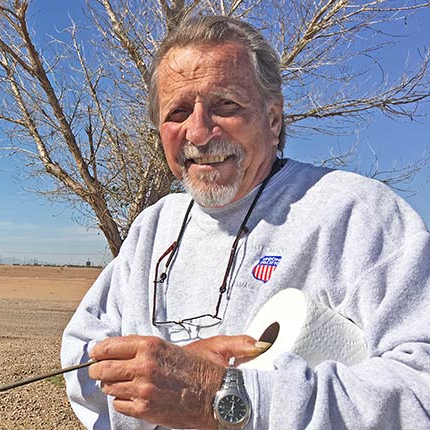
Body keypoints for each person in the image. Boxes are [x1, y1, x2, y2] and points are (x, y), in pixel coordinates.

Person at [60, 15, 430, 430]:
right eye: (177, 112)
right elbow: (79, 356)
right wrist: (152, 374)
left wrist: (223, 396)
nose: (198, 133)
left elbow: (422, 385)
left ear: (273, 119)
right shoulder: (154, 226)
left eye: (226, 106)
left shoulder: (356, 212)